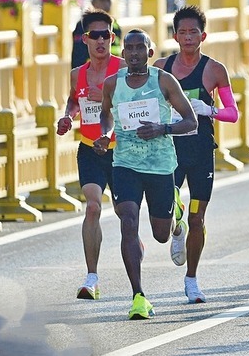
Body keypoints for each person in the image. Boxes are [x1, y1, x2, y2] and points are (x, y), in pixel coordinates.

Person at [96, 29, 197, 320]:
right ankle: (138, 296)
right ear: (123, 53)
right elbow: (107, 113)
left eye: (141, 48)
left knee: (161, 235)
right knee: (128, 221)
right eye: (129, 48)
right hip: (125, 163)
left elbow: (190, 121)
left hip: (160, 165)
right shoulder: (112, 83)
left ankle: (176, 215)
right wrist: (106, 134)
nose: (135, 53)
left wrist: (161, 129)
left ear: (150, 53)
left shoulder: (163, 81)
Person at [153, 6, 240, 303]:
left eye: (194, 32)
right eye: (183, 32)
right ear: (174, 35)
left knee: (198, 216)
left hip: (201, 151)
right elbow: (146, 101)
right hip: (170, 152)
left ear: (203, 35)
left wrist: (209, 109)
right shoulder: (162, 67)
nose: (188, 37)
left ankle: (191, 280)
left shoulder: (214, 70)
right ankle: (175, 227)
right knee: (167, 210)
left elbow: (233, 113)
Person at [56, 10, 125, 300]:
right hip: (89, 149)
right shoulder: (77, 74)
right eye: (94, 35)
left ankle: (132, 240)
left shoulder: (124, 69)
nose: (100, 40)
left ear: (112, 37)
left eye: (105, 35)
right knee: (93, 207)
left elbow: (138, 104)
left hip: (121, 151)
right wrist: (67, 117)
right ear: (84, 39)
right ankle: (92, 278)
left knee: (125, 214)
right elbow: (74, 100)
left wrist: (107, 98)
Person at [71, 0, 122, 68]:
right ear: (93, 2)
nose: (106, 3)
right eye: (102, 0)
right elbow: (79, 54)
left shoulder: (115, 24)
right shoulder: (84, 25)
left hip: (114, 70)